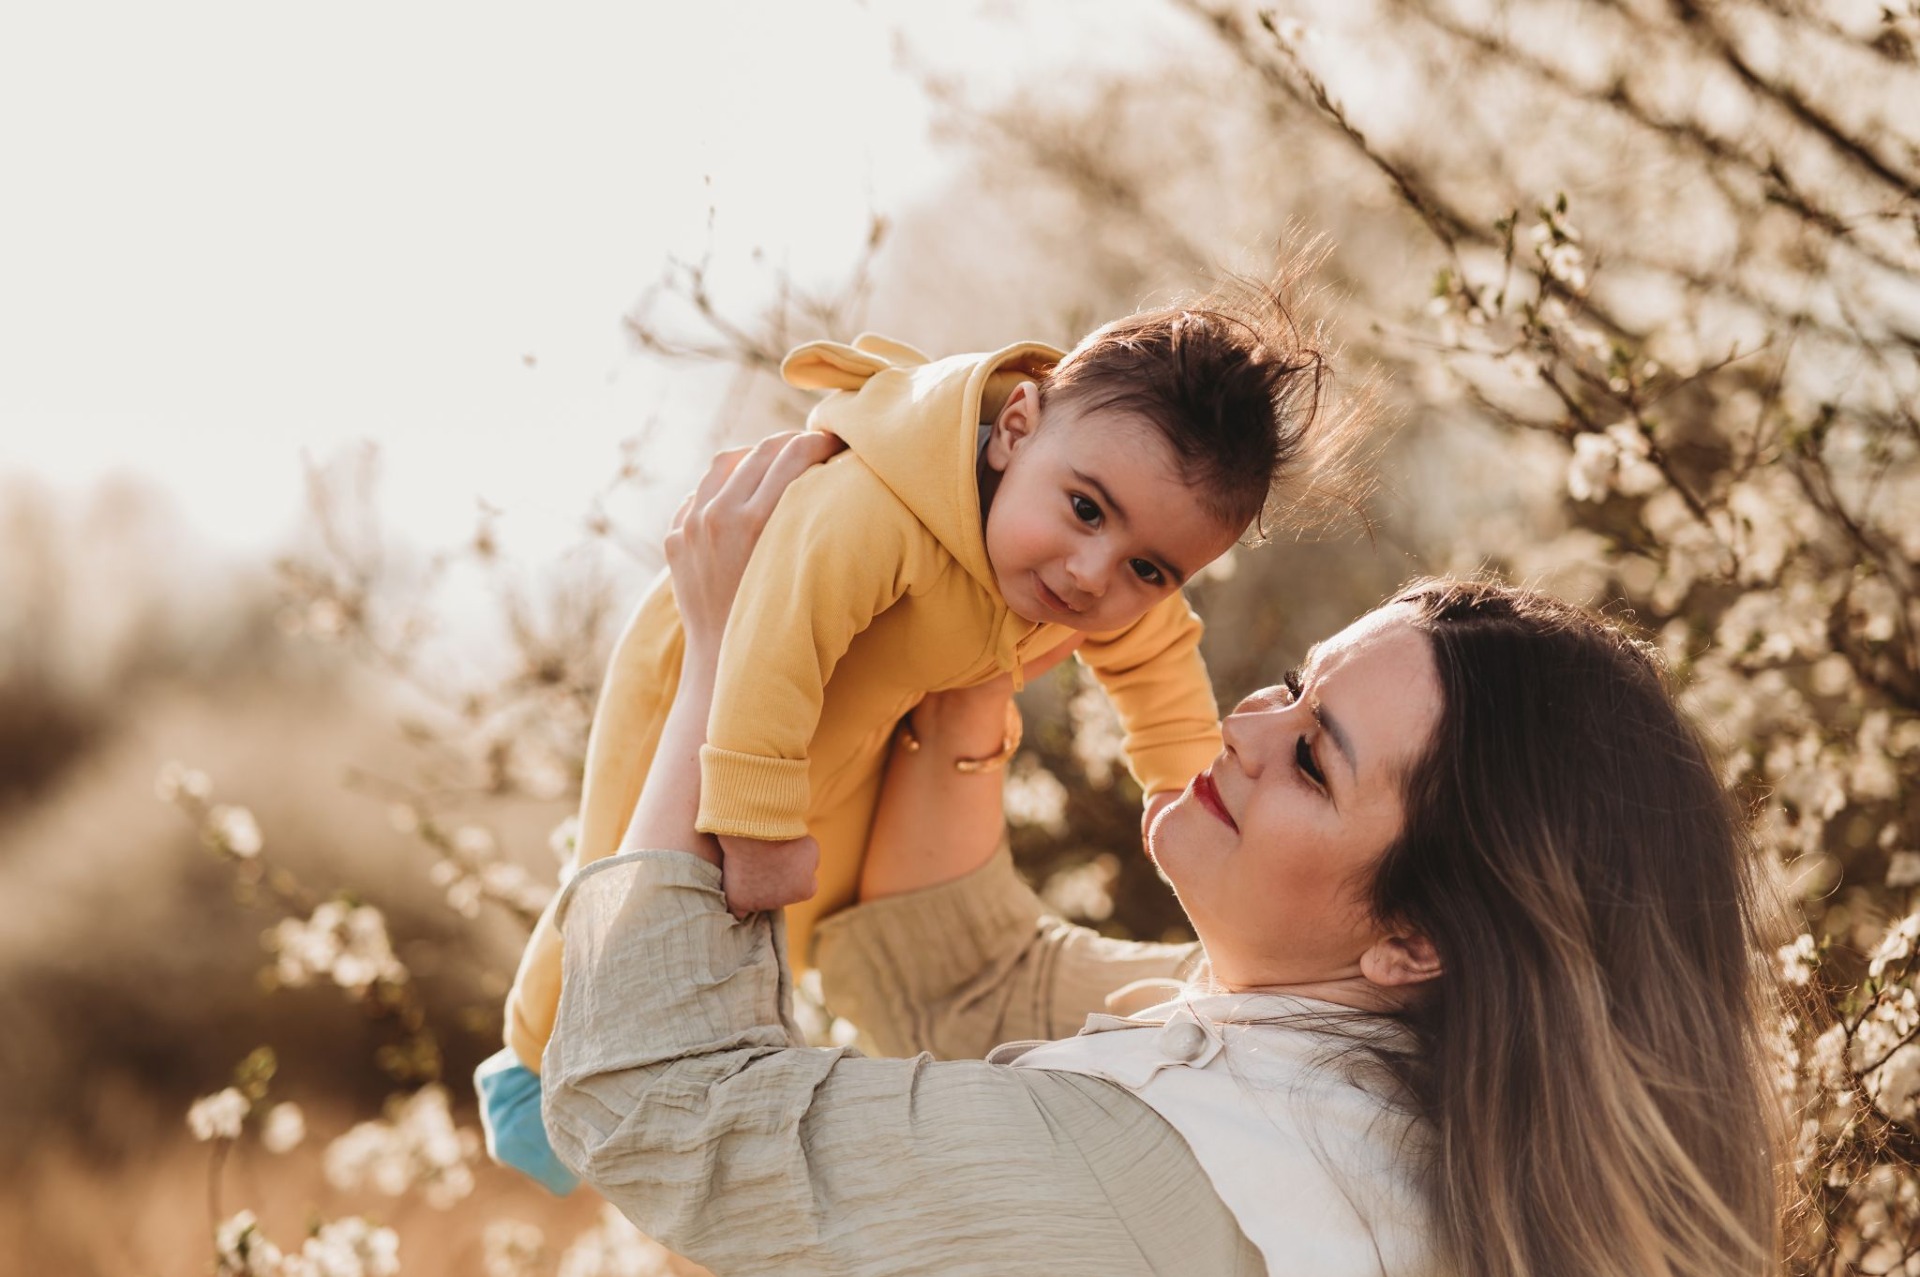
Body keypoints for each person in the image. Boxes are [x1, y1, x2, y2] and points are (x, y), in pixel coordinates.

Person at [536, 434, 1789, 1277]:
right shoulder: (1400, 1085)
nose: (1246, 724)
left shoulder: (1172, 1171)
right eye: (1296, 686)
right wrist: (971, 651)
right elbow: (966, 992)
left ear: (1416, 936)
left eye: (1314, 757)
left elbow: (659, 1102)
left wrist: (726, 651)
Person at [482, 283, 1360, 1190]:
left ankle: (704, 1071)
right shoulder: (881, 508)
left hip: (858, 713)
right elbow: (775, 642)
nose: (1092, 572)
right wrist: (754, 823)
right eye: (1085, 509)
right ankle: (530, 1063)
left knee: (811, 909)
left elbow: (1161, 672)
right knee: (635, 873)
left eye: (1149, 567)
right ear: (1017, 427)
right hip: (714, 672)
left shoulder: (1089, 563)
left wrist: (1191, 807)